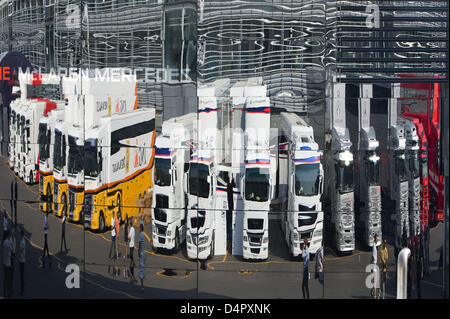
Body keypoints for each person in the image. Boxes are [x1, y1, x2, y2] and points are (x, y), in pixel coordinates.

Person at [3, 230, 12, 298]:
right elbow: (11, 250)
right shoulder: (7, 243)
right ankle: (8, 294)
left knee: (5, 278)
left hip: (5, 262)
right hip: (8, 263)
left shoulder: (4, 242)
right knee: (8, 279)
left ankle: (4, 293)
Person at [18, 228, 25, 295]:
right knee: (21, 274)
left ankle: (22, 290)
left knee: (21, 275)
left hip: (21, 259)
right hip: (22, 259)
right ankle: (22, 288)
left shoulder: (22, 242)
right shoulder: (23, 241)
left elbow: (21, 249)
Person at [138, 223, 145, 291]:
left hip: (141, 253)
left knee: (141, 270)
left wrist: (138, 251)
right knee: (142, 267)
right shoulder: (143, 233)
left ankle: (142, 285)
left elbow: (140, 244)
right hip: (144, 253)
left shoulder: (141, 234)